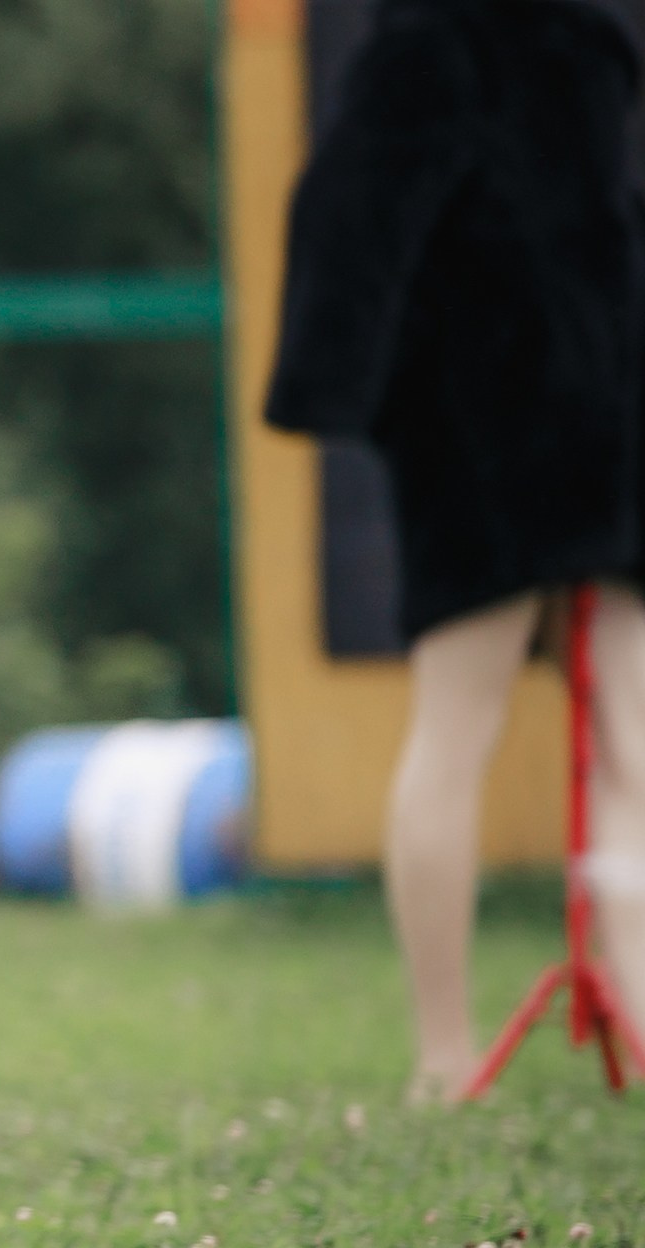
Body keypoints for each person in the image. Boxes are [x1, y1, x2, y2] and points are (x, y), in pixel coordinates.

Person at [266, 0, 645, 1102]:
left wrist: (333, 390)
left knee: (465, 724)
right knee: (608, 729)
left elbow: (348, 213)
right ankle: (525, 1021)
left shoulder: (429, 38)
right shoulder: (589, 34)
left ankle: (450, 1051)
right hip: (590, 404)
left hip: (489, 421)